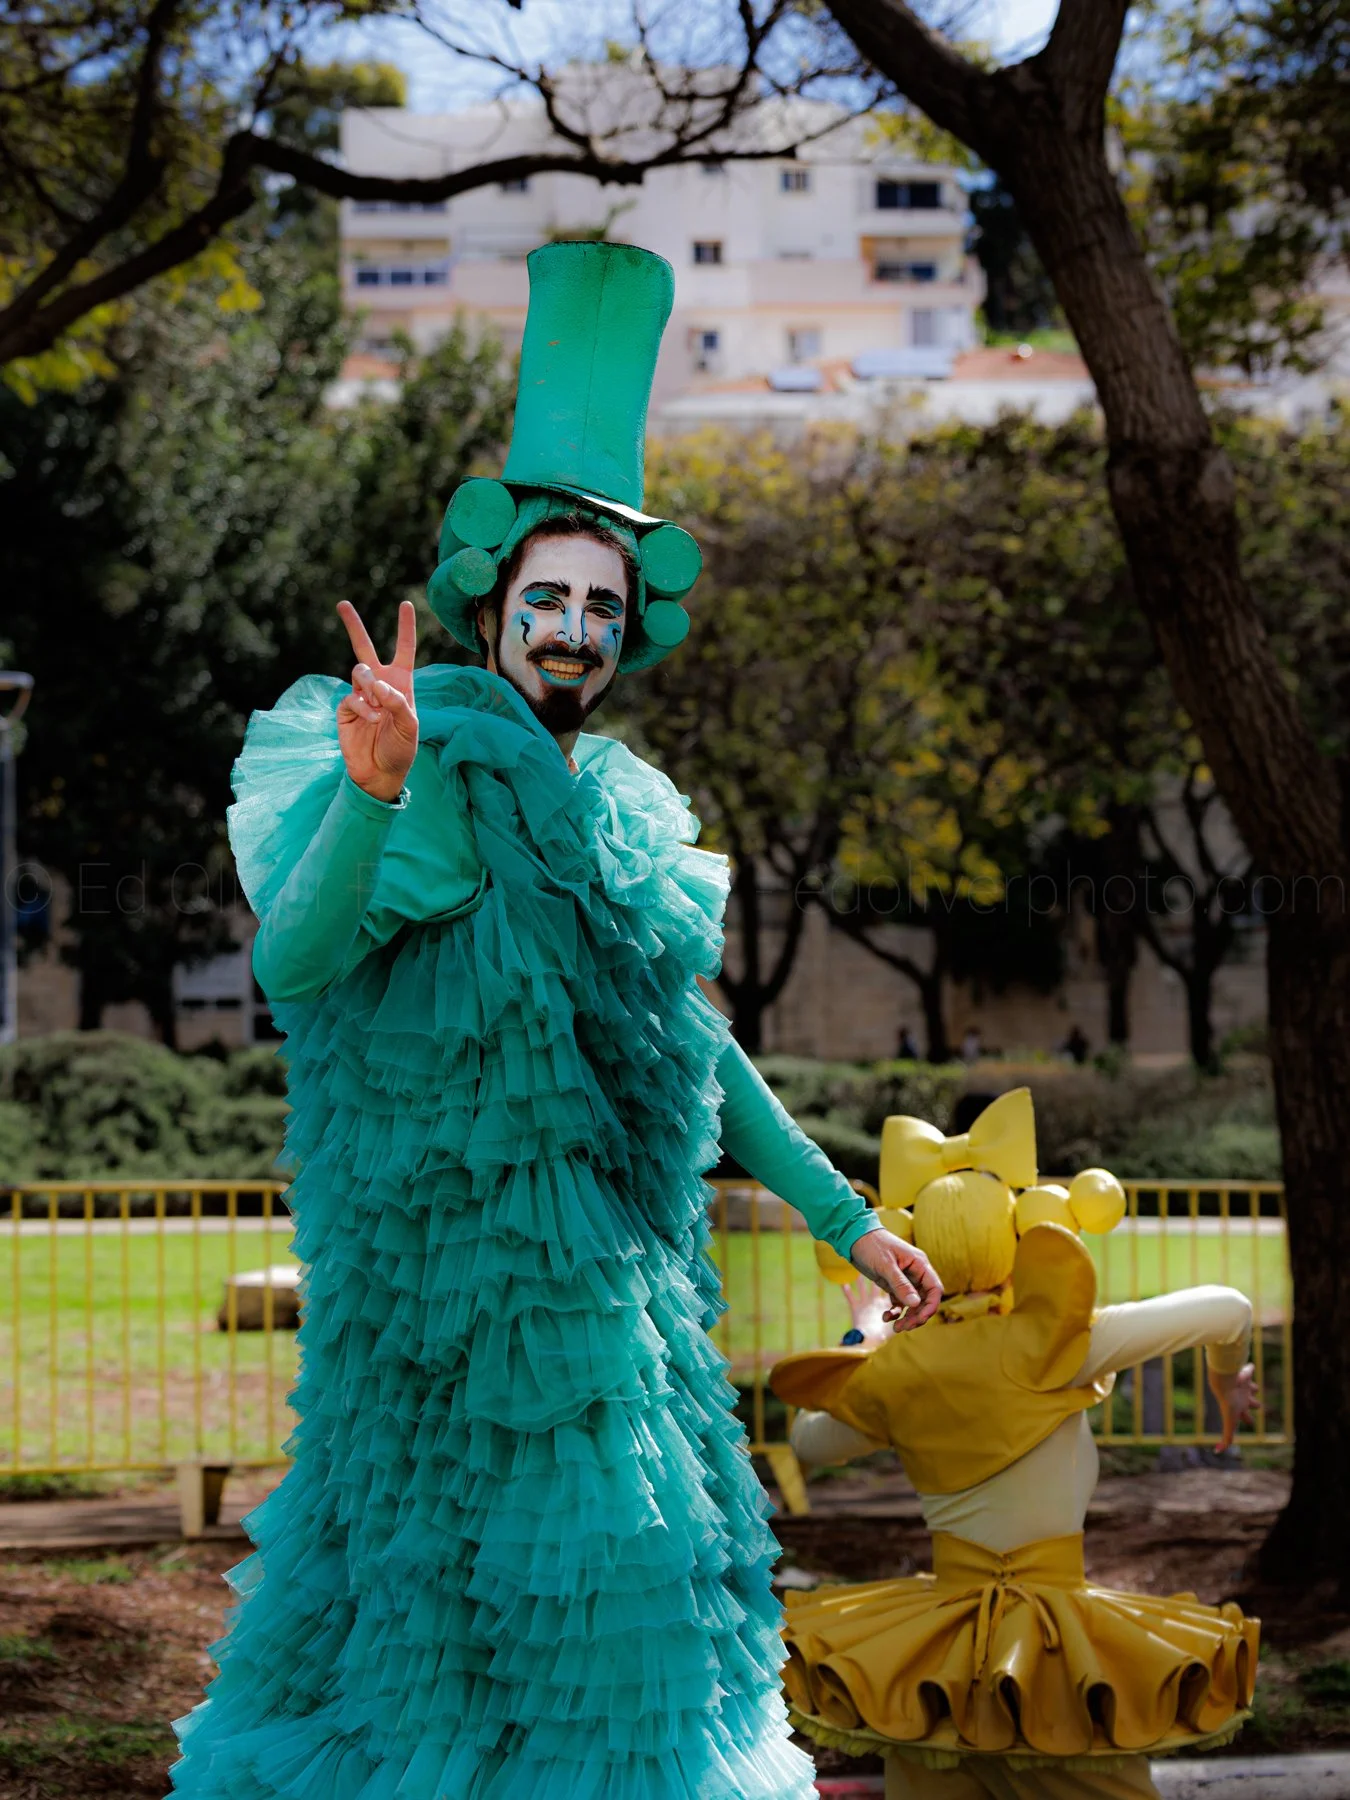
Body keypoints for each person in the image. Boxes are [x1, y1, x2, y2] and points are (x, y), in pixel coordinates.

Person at [164, 242, 940, 1800]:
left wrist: (842, 1219)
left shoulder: (623, 809)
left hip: (613, 1269)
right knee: (500, 1597)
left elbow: (687, 1047)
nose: (573, 628)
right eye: (547, 598)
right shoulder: (429, 758)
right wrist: (372, 800)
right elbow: (299, 967)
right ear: (494, 606)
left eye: (598, 604)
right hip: (456, 1286)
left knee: (624, 1586)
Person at [772, 1091, 1259, 1800]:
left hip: (938, 1667)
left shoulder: (893, 1375)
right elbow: (1233, 1310)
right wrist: (1224, 1385)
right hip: (1058, 1654)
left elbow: (807, 1441)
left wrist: (867, 1334)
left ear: (915, 1254)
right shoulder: (1060, 1345)